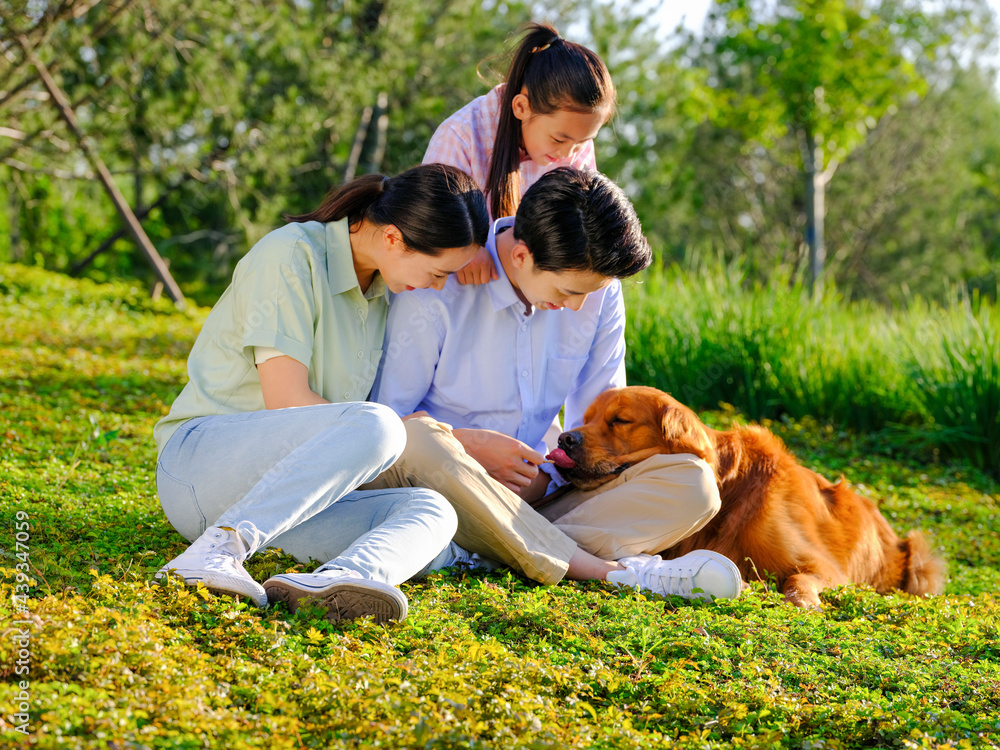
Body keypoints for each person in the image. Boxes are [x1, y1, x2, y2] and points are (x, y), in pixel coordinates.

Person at [368, 167, 742, 601]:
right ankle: (602, 569)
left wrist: (559, 471)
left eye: (590, 293)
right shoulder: (438, 282)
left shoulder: (597, 292)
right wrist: (470, 447)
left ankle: (486, 553)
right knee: (423, 445)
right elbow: (390, 424)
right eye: (567, 291)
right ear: (522, 256)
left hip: (550, 501)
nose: (577, 306)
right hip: (454, 487)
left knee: (693, 485)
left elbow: (603, 418)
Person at [153, 164, 489, 624]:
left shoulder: (378, 294)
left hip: (282, 495)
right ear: (393, 238)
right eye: (437, 272)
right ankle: (219, 547)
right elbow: (287, 400)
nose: (438, 287)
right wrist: (395, 436)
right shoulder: (290, 255)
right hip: (198, 469)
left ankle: (340, 578)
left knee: (431, 509)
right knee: (381, 425)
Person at [424, 22, 614, 285]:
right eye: (559, 139)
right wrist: (464, 250)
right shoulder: (461, 136)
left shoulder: (574, 144)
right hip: (463, 292)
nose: (567, 154)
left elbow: (580, 225)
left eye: (582, 142)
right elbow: (427, 220)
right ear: (521, 107)